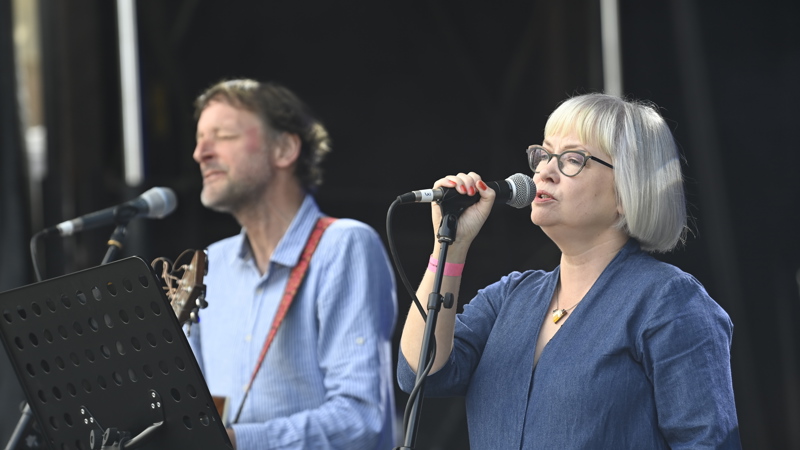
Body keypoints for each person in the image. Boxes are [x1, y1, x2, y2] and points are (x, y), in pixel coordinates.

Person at [397, 93, 741, 449]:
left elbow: (707, 442)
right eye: (543, 155)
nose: (544, 171)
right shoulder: (509, 298)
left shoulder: (668, 301)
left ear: (628, 190)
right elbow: (420, 373)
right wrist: (449, 246)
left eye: (572, 160)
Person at [189, 78, 398, 450]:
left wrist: (240, 441)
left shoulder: (343, 244)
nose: (200, 153)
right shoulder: (210, 264)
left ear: (284, 148)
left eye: (222, 135)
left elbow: (360, 420)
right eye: (200, 137)